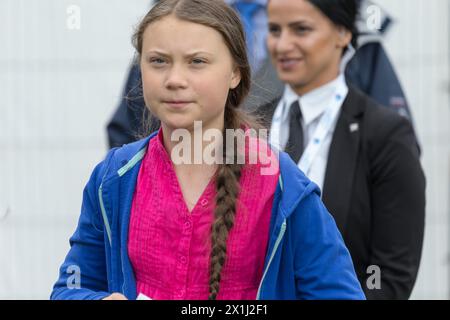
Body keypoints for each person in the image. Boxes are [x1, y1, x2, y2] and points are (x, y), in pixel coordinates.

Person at [51, 0, 365, 300]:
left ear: (235, 73)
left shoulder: (283, 185)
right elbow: (70, 288)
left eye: (197, 62)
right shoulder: (113, 178)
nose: (174, 79)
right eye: (158, 61)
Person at [259, 0, 425, 300]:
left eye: (301, 29)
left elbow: (387, 273)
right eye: (274, 29)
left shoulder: (385, 135)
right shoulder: (251, 130)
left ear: (342, 33)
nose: (282, 45)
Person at [106, 0, 415, 149]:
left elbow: (393, 149)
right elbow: (129, 130)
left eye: (300, 30)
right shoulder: (174, 18)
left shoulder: (340, 19)